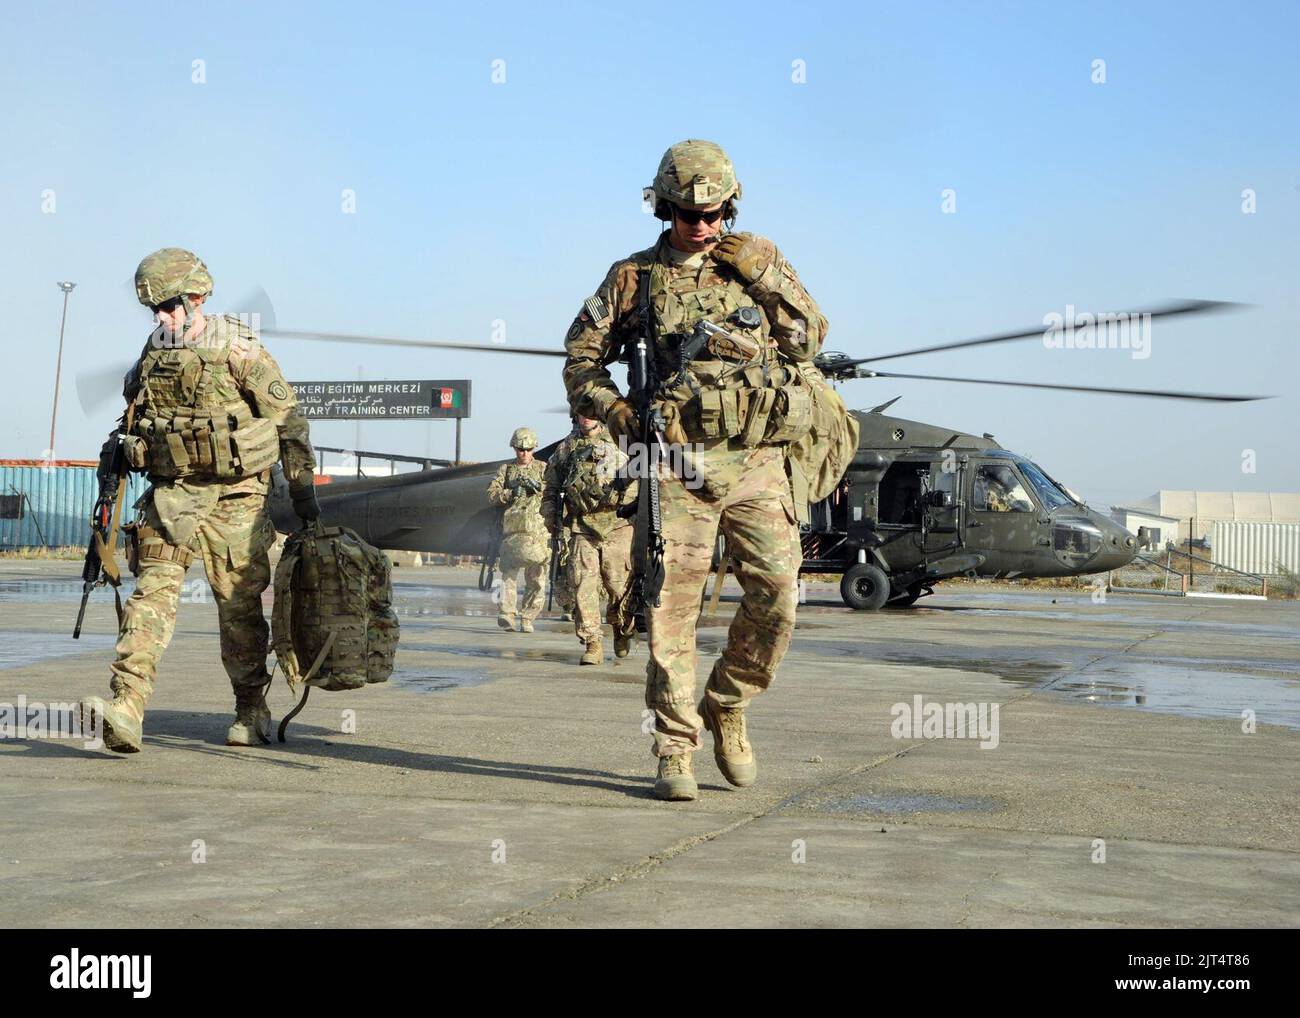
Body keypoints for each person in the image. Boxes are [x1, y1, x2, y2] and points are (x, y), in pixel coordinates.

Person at [562, 140, 827, 801]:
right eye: (687, 214)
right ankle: (675, 750)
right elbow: (580, 362)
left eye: (714, 213)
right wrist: (620, 414)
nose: (702, 226)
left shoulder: (756, 264)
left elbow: (809, 338)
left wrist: (766, 275)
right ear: (664, 210)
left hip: (757, 459)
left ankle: (729, 702)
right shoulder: (633, 278)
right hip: (675, 461)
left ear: (730, 207)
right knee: (670, 612)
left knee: (778, 599)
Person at [79, 248, 319, 753]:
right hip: (173, 496)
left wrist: (303, 499)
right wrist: (128, 448)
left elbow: (290, 423)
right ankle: (126, 705)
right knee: (151, 595)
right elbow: (135, 415)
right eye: (154, 310)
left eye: (168, 305)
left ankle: (251, 708)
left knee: (238, 609)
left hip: (237, 497)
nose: (162, 317)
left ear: (197, 297)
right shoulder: (154, 353)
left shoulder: (239, 348)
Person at [541, 414, 637, 665]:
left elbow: (643, 477)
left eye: (590, 413)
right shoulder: (567, 446)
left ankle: (621, 628)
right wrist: (550, 514)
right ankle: (592, 642)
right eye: (580, 413)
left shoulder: (622, 441)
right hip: (581, 524)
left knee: (618, 584)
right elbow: (551, 485)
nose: (585, 418)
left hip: (618, 523)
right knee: (583, 584)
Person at [485, 427, 549, 632]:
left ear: (533, 449)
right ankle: (507, 613)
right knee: (507, 575)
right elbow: (491, 495)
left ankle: (528, 617)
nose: (524, 453)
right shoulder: (506, 470)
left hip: (537, 530)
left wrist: (538, 487)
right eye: (520, 449)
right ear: (514, 448)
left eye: (528, 449)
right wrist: (509, 492)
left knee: (537, 577)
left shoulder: (543, 468)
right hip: (512, 529)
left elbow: (554, 492)